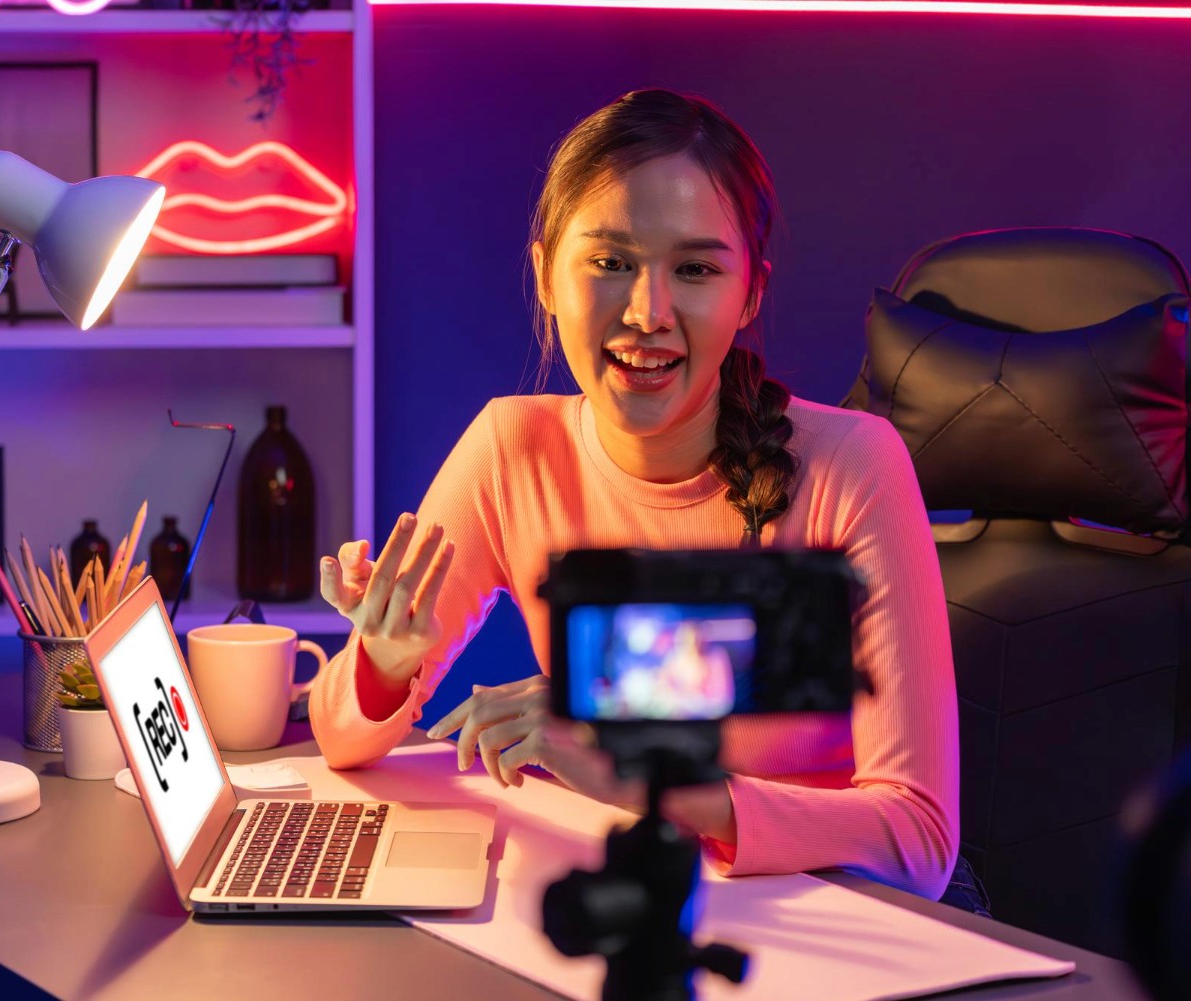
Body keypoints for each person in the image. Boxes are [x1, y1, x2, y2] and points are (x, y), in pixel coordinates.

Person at [309, 89, 961, 902]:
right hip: (655, 908)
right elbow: (342, 740)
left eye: (694, 269)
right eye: (610, 262)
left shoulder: (855, 467)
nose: (648, 312)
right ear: (546, 272)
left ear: (749, 293)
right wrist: (383, 662)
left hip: (843, 932)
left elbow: (920, 842)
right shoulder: (513, 448)